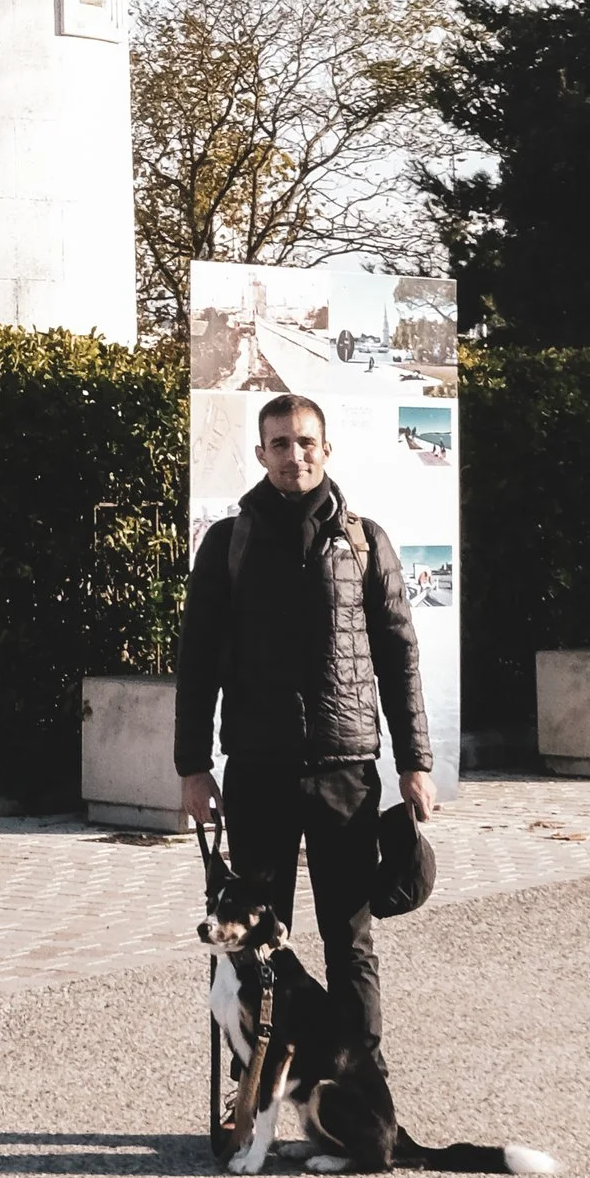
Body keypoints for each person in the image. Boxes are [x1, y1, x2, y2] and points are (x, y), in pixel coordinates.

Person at [176, 389, 434, 1082]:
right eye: (281, 444)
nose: (296, 455)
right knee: (254, 945)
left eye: (307, 442)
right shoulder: (229, 543)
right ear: (260, 454)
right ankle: (254, 1091)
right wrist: (192, 768)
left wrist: (416, 762)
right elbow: (196, 661)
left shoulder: (363, 540)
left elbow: (399, 656)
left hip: (345, 770)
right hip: (258, 771)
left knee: (350, 942)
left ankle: (361, 1087)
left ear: (327, 449)